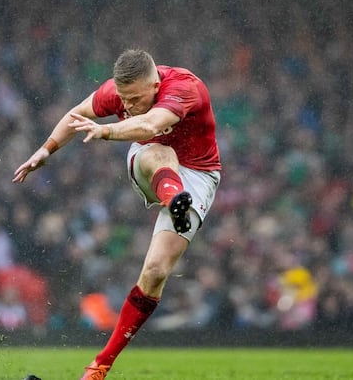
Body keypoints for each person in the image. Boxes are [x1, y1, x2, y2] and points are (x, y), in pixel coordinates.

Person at [14, 49, 221, 380]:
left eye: (136, 99)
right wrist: (45, 150)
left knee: (154, 272)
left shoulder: (184, 88)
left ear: (155, 85)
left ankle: (98, 369)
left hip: (198, 173)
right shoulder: (119, 93)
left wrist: (107, 131)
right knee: (157, 149)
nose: (127, 107)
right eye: (124, 99)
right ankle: (173, 199)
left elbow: (152, 122)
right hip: (151, 159)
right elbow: (77, 114)